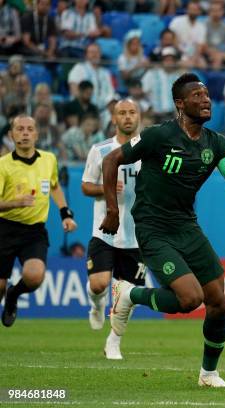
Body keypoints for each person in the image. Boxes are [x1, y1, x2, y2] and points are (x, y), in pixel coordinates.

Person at [99, 73, 225, 387]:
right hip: (154, 229)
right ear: (180, 104)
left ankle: (208, 374)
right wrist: (113, 210)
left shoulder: (216, 144)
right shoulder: (157, 136)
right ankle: (129, 294)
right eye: (197, 95)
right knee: (189, 299)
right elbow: (111, 160)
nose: (205, 99)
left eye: (207, 95)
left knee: (219, 303)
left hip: (187, 227)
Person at [0, 114, 78, 327]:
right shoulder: (3, 166)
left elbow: (54, 186)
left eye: (29, 129)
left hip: (34, 231)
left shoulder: (49, 159)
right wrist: (15, 203)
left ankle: (14, 295)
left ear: (36, 134)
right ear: (11, 135)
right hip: (4, 229)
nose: (25, 133)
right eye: (19, 129)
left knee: (34, 277)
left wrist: (65, 214)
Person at [81, 99, 145, 360]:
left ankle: (113, 341)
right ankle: (97, 306)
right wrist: (106, 189)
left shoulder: (150, 151)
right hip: (105, 230)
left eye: (132, 112)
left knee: (127, 297)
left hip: (138, 236)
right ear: (114, 118)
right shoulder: (101, 149)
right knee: (98, 284)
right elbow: (86, 186)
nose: (128, 117)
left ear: (139, 116)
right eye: (122, 113)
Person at [141, 47, 184, 122]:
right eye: (166, 59)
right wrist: (148, 107)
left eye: (171, 60)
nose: (169, 62)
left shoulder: (179, 77)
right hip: (155, 115)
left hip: (172, 115)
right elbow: (142, 92)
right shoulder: (151, 74)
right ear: (161, 61)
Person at [68, 43, 116, 111]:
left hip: (104, 109)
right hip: (84, 108)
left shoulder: (105, 72)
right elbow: (74, 90)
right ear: (86, 55)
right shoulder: (78, 68)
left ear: (100, 54)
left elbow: (111, 92)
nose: (95, 55)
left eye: (97, 52)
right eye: (91, 52)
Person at [168, 0, 207, 69]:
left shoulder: (201, 26)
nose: (193, 12)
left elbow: (200, 46)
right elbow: (172, 39)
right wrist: (183, 54)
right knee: (184, 63)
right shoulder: (177, 21)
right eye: (191, 9)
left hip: (193, 54)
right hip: (178, 51)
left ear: (199, 12)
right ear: (187, 10)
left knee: (203, 65)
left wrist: (193, 59)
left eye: (195, 10)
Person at [202, 2, 225, 70]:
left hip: (222, 54)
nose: (215, 13)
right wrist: (216, 54)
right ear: (209, 12)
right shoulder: (204, 26)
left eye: (218, 11)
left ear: (222, 12)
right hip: (207, 54)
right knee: (217, 58)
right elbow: (203, 46)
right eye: (213, 11)